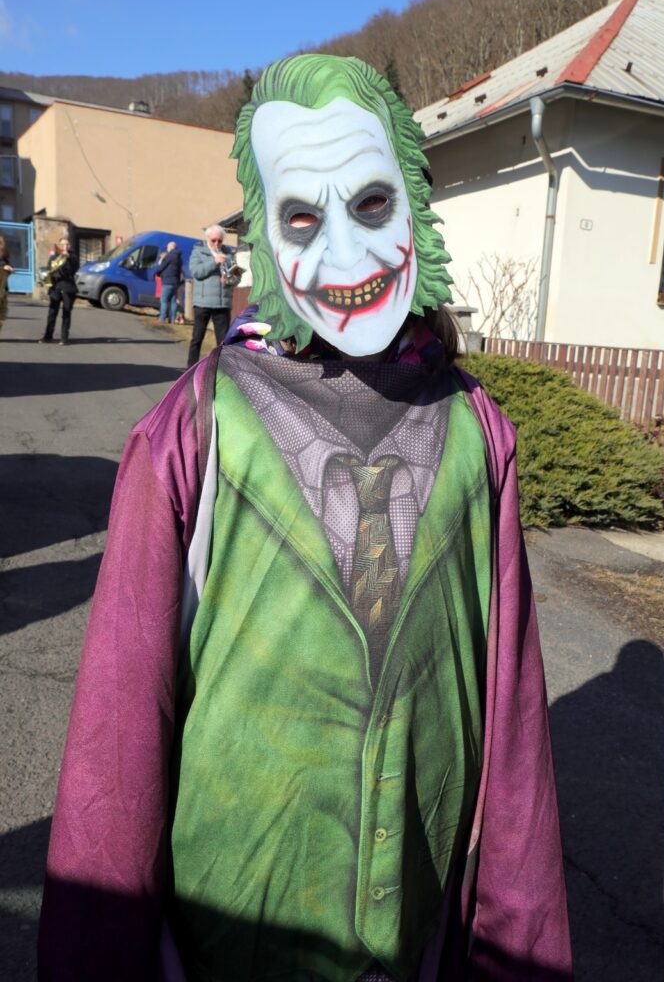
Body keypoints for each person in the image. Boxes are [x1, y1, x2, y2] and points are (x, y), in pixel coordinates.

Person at [38, 55, 572, 982]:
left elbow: (513, 733)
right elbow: (117, 734)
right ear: (265, 232)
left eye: (371, 204)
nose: (345, 255)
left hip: (409, 939)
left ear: (413, 204)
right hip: (226, 933)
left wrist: (516, 954)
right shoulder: (195, 426)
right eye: (300, 218)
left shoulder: (476, 428)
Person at [186, 225, 242, 367]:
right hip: (202, 302)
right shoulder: (198, 251)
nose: (217, 243)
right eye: (213, 240)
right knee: (197, 338)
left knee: (223, 342)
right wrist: (214, 261)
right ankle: (190, 368)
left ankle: (222, 369)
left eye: (220, 241)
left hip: (222, 303)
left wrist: (229, 280)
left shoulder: (228, 254)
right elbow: (196, 272)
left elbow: (236, 278)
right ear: (207, 239)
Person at [39, 237, 79, 345]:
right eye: (63, 244)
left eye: (67, 244)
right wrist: (43, 279)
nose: (65, 246)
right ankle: (48, 336)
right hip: (55, 287)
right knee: (52, 312)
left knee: (66, 312)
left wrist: (68, 258)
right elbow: (49, 270)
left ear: (70, 246)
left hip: (68, 288)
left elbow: (73, 270)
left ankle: (64, 338)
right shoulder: (54, 256)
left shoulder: (73, 257)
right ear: (59, 246)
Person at [156, 240, 183, 324]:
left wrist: (158, 272)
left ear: (170, 247)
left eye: (167, 247)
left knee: (163, 300)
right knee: (173, 301)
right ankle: (173, 319)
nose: (167, 249)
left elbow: (162, 267)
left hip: (167, 281)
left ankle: (162, 318)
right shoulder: (179, 258)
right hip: (175, 282)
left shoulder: (169, 256)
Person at [0, 234, 13, 330]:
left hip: (3, 289)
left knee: (2, 315)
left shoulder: (5, 257)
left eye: (1, 243)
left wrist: (8, 269)